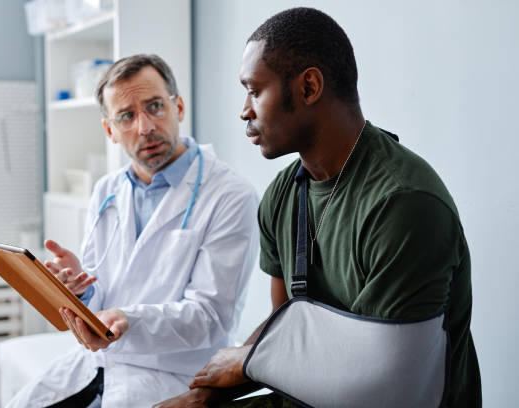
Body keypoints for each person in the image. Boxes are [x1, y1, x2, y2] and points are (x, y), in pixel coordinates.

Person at [156, 7, 481, 408]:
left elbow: (385, 386)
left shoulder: (404, 204)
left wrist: (246, 363)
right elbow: (289, 331)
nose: (244, 110)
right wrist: (206, 397)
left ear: (309, 87)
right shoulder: (281, 195)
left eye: (255, 90)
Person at [7, 54, 259, 408]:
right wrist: (79, 288)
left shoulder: (231, 195)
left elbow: (210, 316)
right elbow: (101, 296)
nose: (145, 127)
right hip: (96, 365)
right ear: (110, 130)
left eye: (155, 106)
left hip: (171, 377)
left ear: (179, 107)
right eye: (126, 116)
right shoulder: (106, 190)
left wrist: (129, 320)